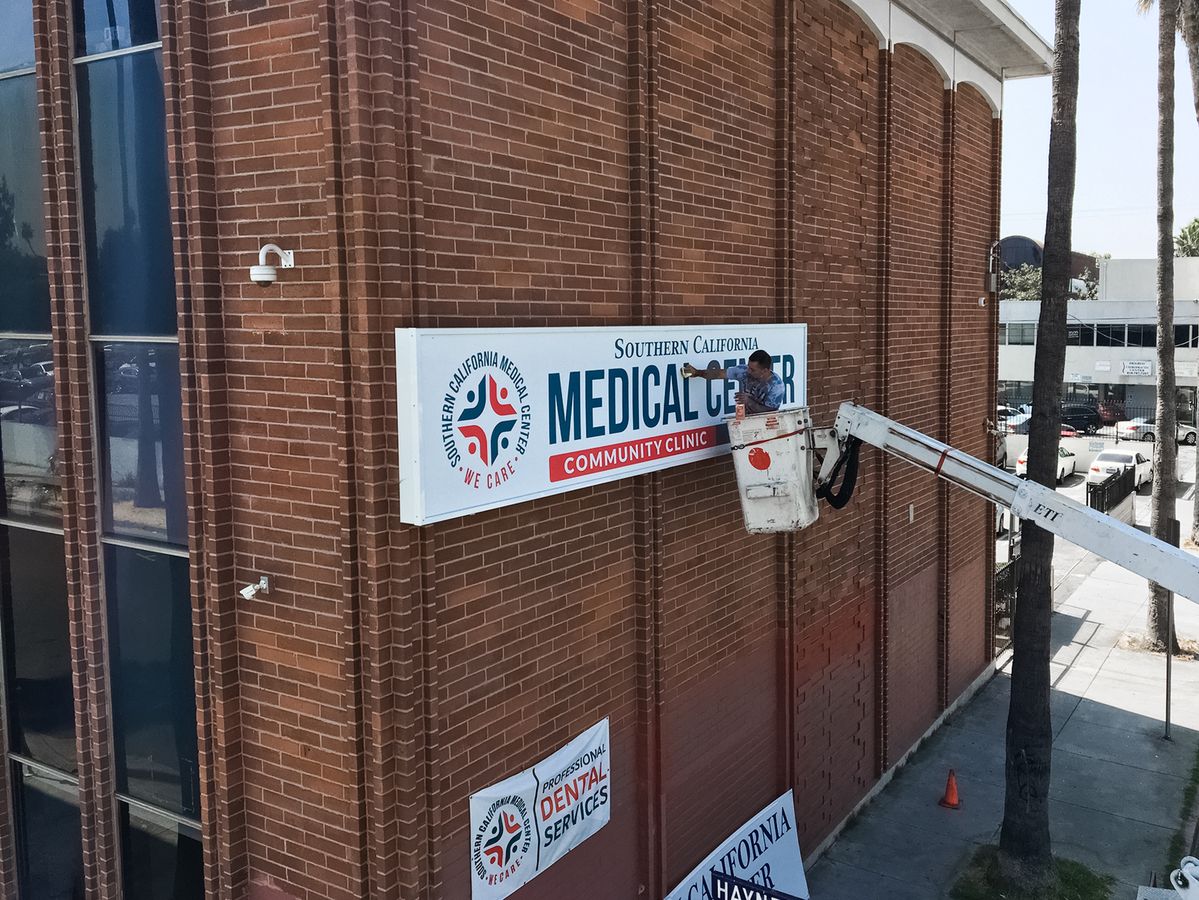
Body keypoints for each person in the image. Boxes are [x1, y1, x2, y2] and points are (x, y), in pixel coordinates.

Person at [682, 349, 785, 414]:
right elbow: (719, 374)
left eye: (752, 369)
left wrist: (749, 402)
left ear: (765, 370)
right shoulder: (744, 371)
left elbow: (771, 412)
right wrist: (697, 373)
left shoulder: (776, 386)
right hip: (742, 416)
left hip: (764, 423)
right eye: (748, 367)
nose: (748, 371)